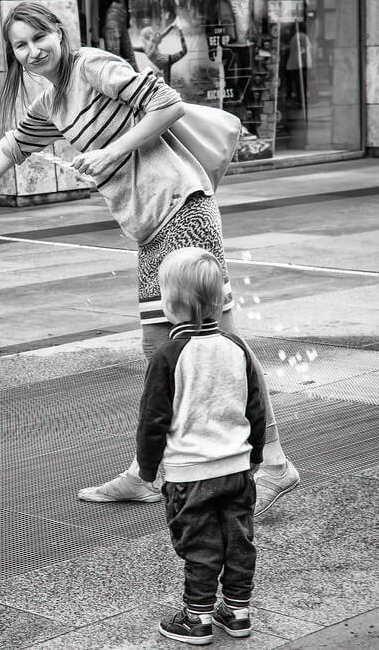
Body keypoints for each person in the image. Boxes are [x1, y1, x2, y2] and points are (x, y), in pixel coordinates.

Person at [0, 2, 299, 516]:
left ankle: (270, 461)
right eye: (19, 45)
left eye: (37, 38)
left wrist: (112, 151)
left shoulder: (92, 65)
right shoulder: (52, 105)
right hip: (150, 227)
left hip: (182, 208)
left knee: (220, 343)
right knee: (160, 350)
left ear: (59, 32)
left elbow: (167, 104)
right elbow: (3, 156)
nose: (31, 52)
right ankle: (150, 471)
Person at [136, 247, 264, 645]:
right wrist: (254, 456)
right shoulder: (237, 348)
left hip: (190, 475)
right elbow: (254, 407)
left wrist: (147, 468)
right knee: (239, 541)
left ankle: (197, 618)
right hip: (237, 470)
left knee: (201, 546)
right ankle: (237, 612)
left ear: (170, 304)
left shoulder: (168, 356)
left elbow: (153, 420)